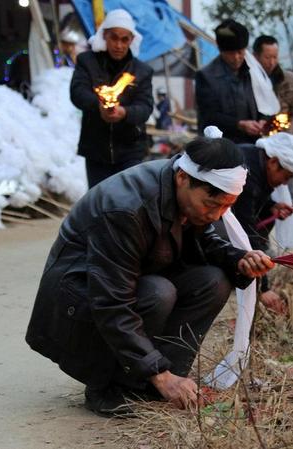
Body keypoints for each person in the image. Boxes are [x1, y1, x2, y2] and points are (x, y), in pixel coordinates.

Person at [25, 136, 274, 417]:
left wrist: (238, 260)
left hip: (132, 280)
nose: (216, 215)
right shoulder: (126, 209)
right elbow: (111, 302)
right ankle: (111, 387)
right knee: (158, 292)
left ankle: (154, 384)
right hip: (78, 300)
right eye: (211, 205)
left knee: (213, 282)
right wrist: (159, 374)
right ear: (183, 178)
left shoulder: (187, 194)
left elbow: (202, 238)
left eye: (226, 207)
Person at [70, 9, 154, 188]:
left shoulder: (142, 71)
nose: (119, 45)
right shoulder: (87, 62)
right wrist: (98, 105)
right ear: (104, 36)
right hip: (96, 149)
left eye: (124, 39)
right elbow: (78, 93)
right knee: (99, 204)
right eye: (114, 38)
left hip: (130, 149)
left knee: (128, 203)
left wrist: (124, 113)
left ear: (131, 40)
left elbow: (145, 107)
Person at [231, 132, 293, 313]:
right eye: (286, 177)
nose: (283, 184)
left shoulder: (259, 162)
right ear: (273, 162)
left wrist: (271, 206)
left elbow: (252, 205)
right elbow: (245, 228)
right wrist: (263, 288)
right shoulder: (247, 173)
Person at [195, 19, 264, 143]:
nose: (237, 57)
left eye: (240, 52)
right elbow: (208, 115)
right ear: (221, 51)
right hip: (220, 145)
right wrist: (239, 124)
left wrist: (263, 120)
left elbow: (265, 101)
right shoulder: (206, 76)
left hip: (253, 141)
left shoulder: (253, 73)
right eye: (231, 53)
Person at [252, 35, 293, 136]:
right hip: (254, 134)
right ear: (255, 56)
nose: (272, 62)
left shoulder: (291, 80)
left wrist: (288, 134)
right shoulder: (246, 79)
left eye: (275, 57)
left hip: (284, 135)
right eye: (267, 57)